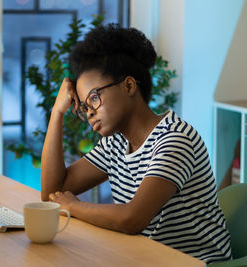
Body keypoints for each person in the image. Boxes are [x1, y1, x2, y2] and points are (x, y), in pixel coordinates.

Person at [40, 23, 232, 264]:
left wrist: (73, 206)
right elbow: (51, 194)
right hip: (146, 259)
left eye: (94, 98)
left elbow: (132, 218)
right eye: (84, 107)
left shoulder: (175, 139)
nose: (89, 113)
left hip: (197, 262)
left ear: (129, 86)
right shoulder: (115, 144)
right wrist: (57, 112)